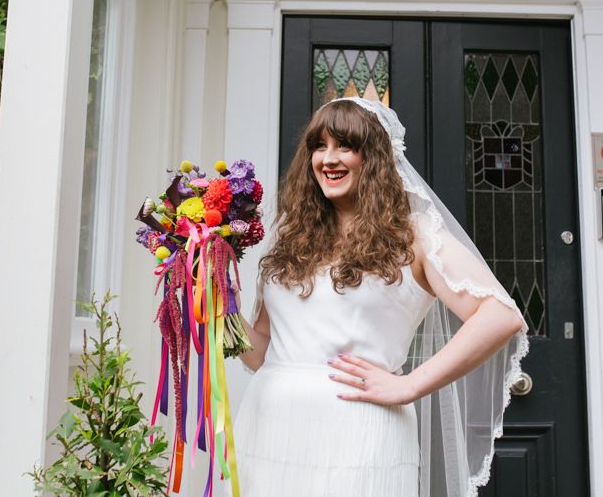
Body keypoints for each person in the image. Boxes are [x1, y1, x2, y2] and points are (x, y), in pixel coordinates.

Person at [225, 97, 529, 497]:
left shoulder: (414, 234)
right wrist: (221, 311)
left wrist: (411, 386)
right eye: (319, 146)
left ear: (377, 158)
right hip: (269, 430)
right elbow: (261, 353)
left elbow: (501, 316)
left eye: (345, 146)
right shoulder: (288, 236)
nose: (328, 159)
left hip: (358, 435)